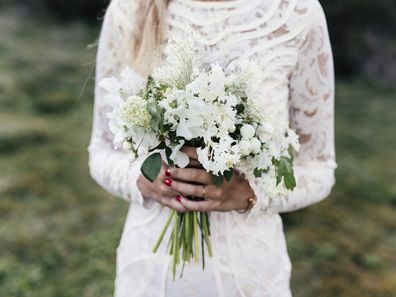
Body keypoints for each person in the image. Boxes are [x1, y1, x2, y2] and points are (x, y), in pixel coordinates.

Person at [88, 0, 337, 296]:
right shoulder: (129, 9)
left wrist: (249, 192)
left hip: (249, 276)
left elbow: (320, 168)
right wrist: (142, 180)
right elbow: (101, 151)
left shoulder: (298, 13)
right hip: (149, 275)